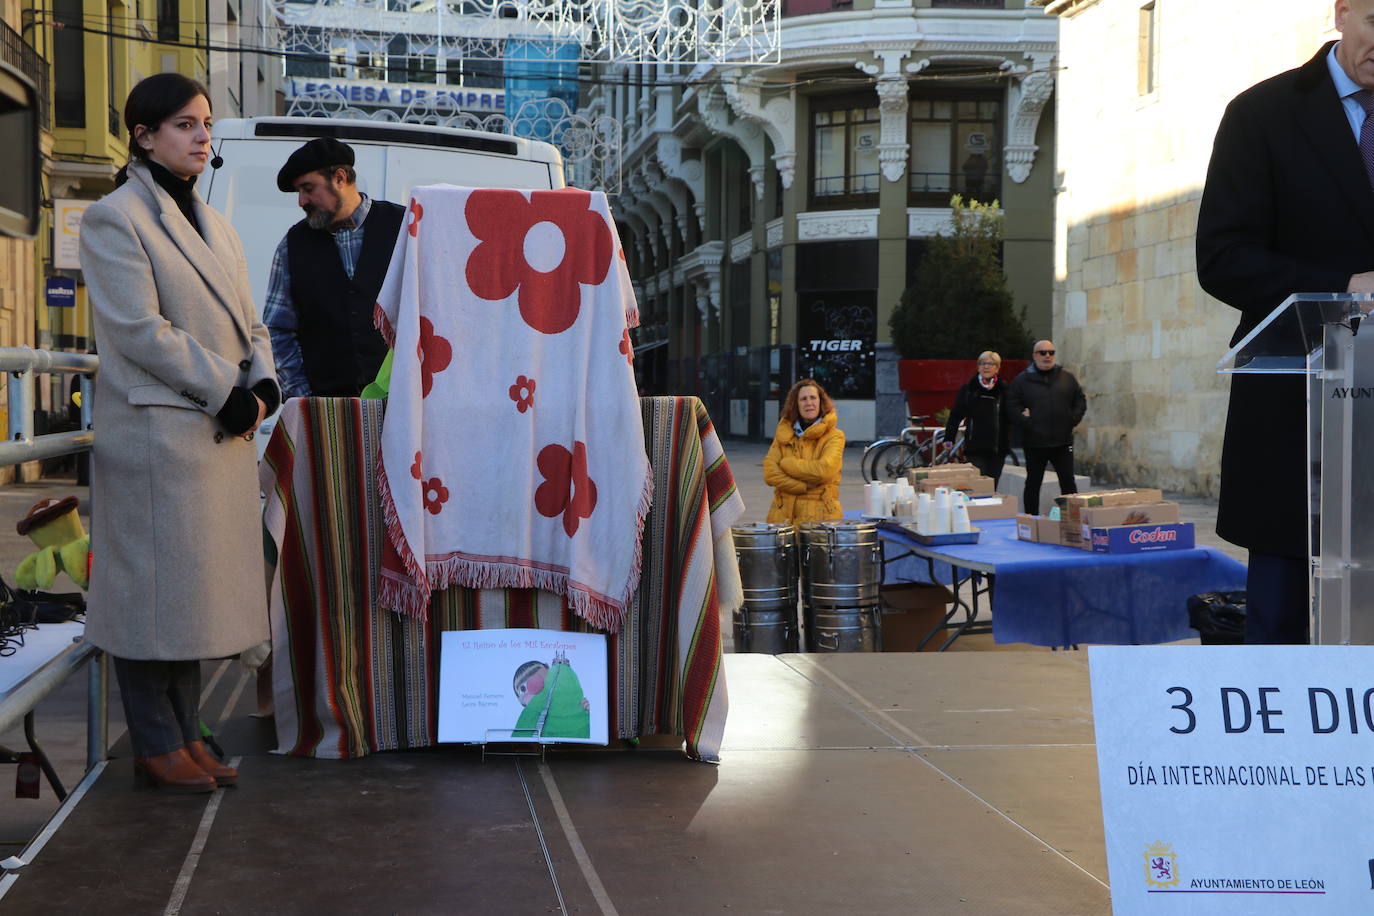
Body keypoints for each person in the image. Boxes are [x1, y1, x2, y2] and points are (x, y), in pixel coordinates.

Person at [79, 73, 279, 792]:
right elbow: (138, 331)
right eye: (187, 125)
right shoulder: (114, 217)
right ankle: (158, 744)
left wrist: (262, 384)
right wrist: (227, 391)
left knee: (189, 600)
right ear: (144, 134)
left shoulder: (214, 221)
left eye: (205, 124)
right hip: (157, 434)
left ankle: (185, 736)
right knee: (151, 597)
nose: (202, 137)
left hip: (213, 436)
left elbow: (251, 320)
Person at [1196, 2, 1374, 644]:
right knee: (1284, 633)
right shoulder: (1262, 114)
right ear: (1343, 13)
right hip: (1300, 420)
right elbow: (1222, 257)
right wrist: (1344, 287)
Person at [263, 138, 405, 399]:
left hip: (402, 411)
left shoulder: (404, 227)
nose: (301, 201)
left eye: (308, 188)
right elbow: (277, 330)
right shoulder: (292, 246)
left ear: (340, 178)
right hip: (326, 415)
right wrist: (304, 399)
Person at [1004, 340, 1086, 517]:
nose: (1047, 356)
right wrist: (1026, 422)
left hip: (1062, 441)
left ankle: (1073, 521)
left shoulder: (1067, 378)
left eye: (1051, 352)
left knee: (1068, 484)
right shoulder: (1022, 381)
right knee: (1033, 483)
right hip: (1035, 442)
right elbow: (1011, 405)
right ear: (1034, 356)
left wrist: (1072, 419)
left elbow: (1080, 400)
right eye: (1042, 352)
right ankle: (1032, 520)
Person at [764, 379, 845, 524]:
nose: (809, 403)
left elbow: (824, 471)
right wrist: (804, 486)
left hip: (820, 518)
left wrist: (787, 464)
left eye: (813, 398)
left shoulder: (834, 436)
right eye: (803, 399)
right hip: (782, 516)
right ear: (796, 404)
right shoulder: (783, 435)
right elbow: (770, 474)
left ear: (821, 402)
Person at [945, 350, 1009, 486]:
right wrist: (949, 438)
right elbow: (956, 415)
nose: (986, 367)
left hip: (997, 448)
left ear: (997, 368)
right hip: (975, 448)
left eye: (991, 364)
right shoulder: (969, 389)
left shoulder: (1004, 390)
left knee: (992, 486)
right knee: (979, 485)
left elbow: (1012, 414)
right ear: (978, 366)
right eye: (982, 363)